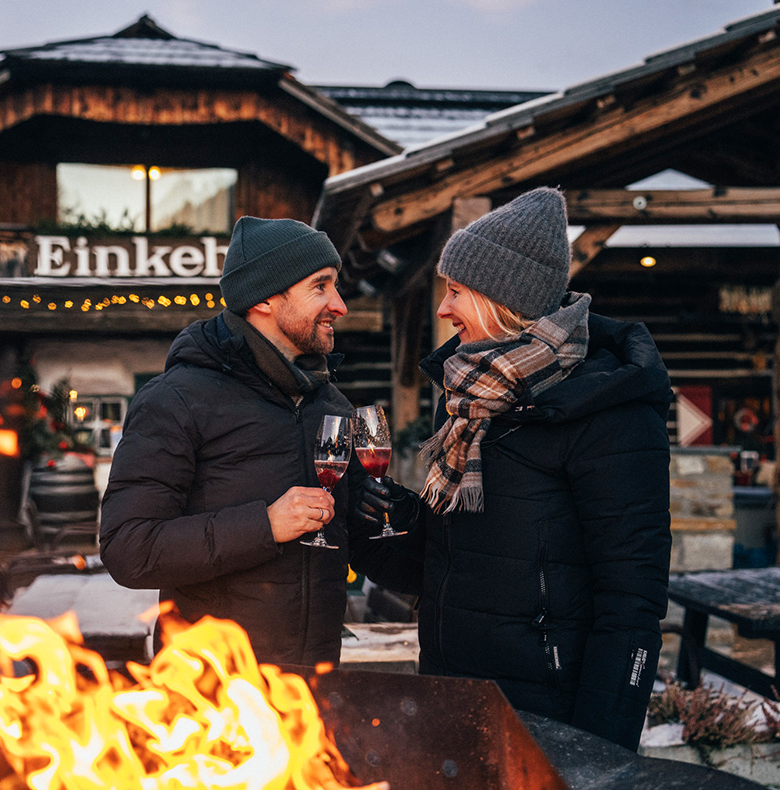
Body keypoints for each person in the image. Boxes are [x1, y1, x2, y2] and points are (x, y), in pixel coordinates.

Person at [351, 187, 673, 750]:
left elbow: (631, 602)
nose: (444, 310)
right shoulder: (469, 401)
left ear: (503, 300)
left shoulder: (609, 411)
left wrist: (597, 752)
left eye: (454, 293)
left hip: (547, 714)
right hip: (454, 696)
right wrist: (374, 511)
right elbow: (440, 565)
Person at [99, 216, 363, 666]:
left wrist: (392, 515)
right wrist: (265, 525)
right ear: (264, 297)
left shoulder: (331, 404)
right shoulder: (176, 400)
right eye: (320, 286)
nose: (339, 304)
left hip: (312, 693)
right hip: (212, 700)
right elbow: (128, 548)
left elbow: (358, 535)